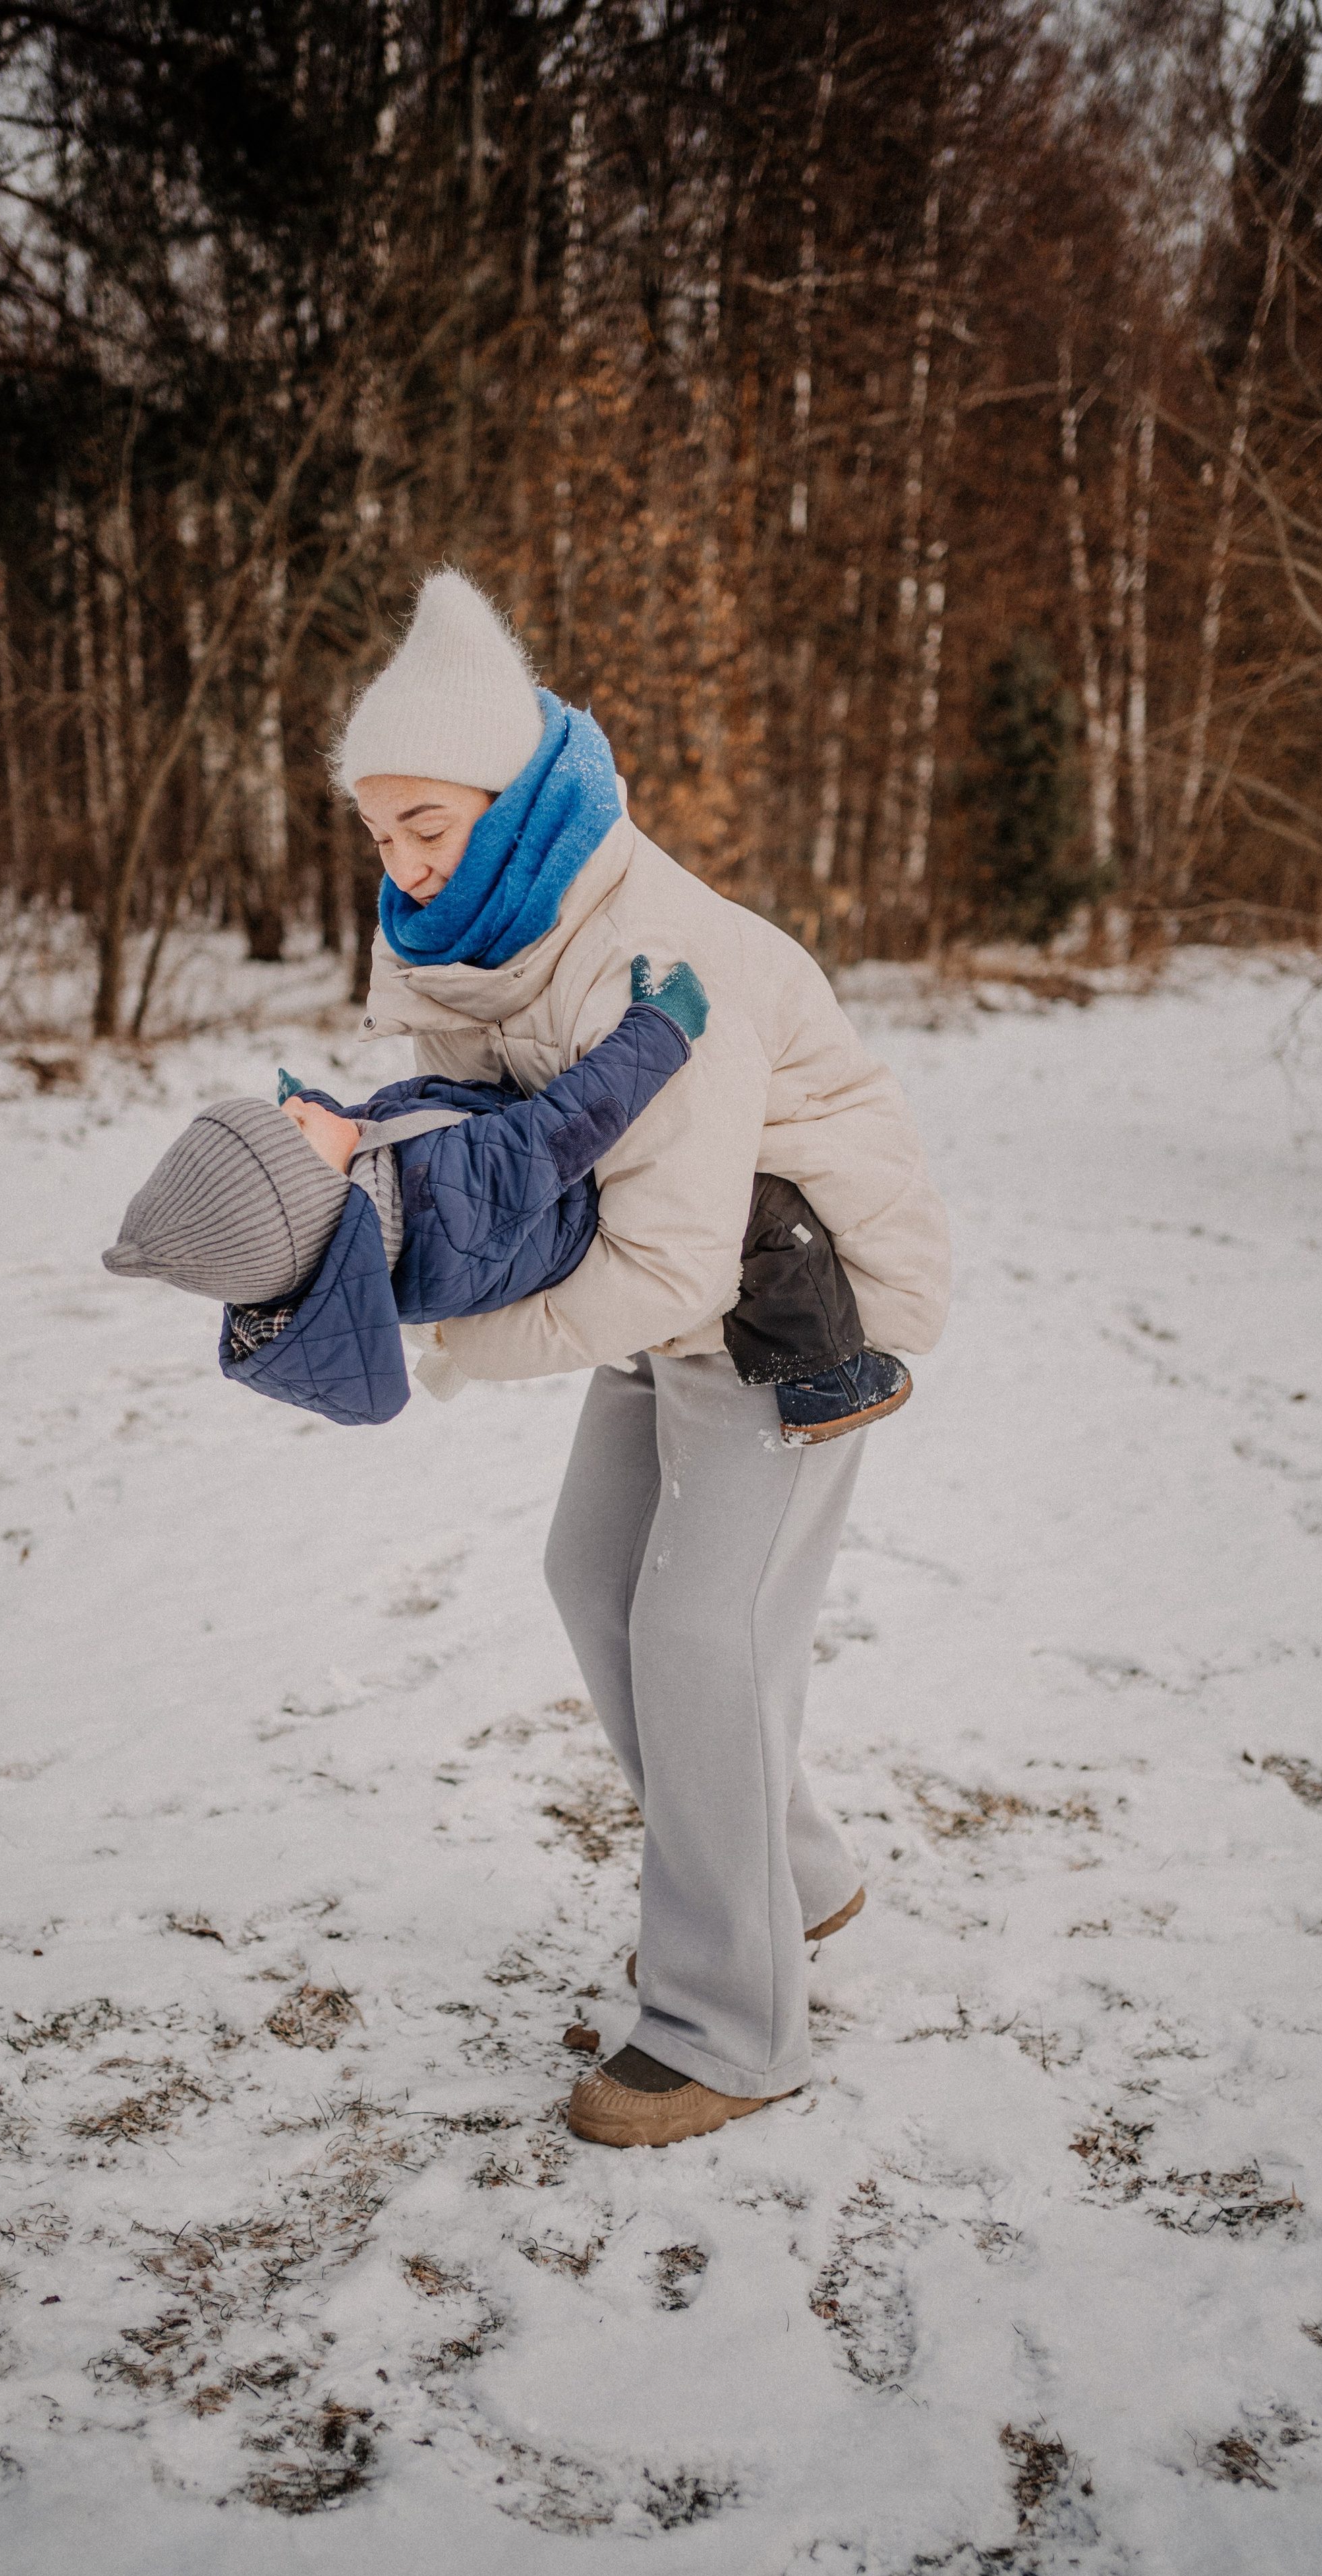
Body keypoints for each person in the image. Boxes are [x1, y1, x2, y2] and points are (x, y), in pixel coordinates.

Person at [339, 568, 951, 2150]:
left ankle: (727, 2024)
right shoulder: (474, 934)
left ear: (508, 796)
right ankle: (787, 1879)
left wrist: (471, 1344)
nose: (400, 862)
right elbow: (499, 1141)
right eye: (381, 830)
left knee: (695, 1627)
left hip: (791, 1306)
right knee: (590, 1573)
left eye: (429, 825)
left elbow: (671, 1253)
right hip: (675, 1279)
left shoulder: (642, 951)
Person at [100, 961, 913, 1443]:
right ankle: (829, 1377)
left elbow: (350, 1147)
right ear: (314, 1199)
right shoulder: (444, 1194)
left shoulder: (356, 1223)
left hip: (517, 1190)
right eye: (293, 1132)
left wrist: (315, 1120)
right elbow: (564, 1128)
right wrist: (658, 1027)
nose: (300, 1110)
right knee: (770, 1215)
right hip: (577, 1207)